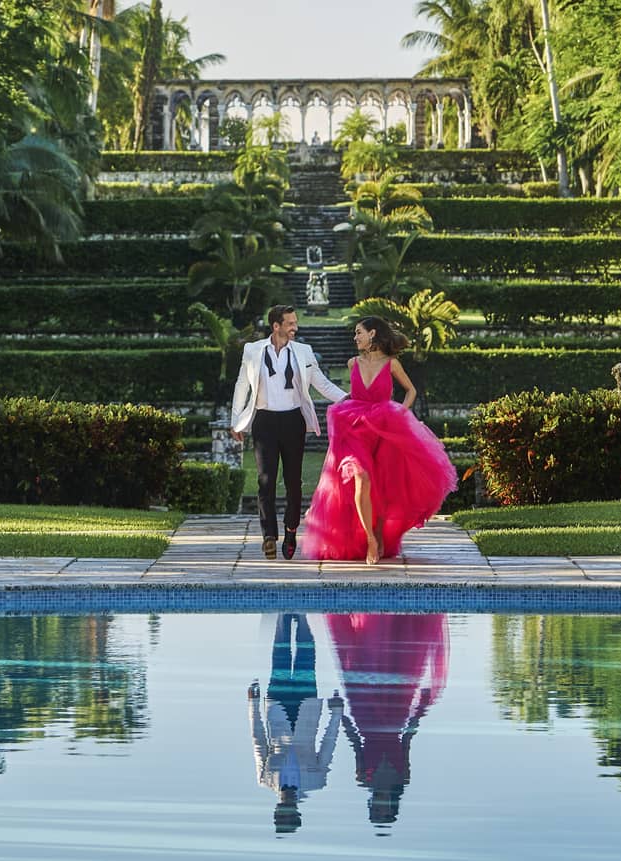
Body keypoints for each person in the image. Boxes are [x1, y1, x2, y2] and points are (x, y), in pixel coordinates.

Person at [299, 317, 457, 564]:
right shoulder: (353, 363)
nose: (355, 337)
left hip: (385, 428)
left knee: (382, 483)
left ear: (372, 334)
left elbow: (411, 390)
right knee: (361, 476)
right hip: (353, 427)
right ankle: (371, 538)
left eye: (358, 332)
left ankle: (381, 534)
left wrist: (402, 413)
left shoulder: (392, 364)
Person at [231, 305, 349, 559]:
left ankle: (291, 529)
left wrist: (351, 400)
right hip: (264, 420)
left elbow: (322, 384)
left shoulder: (304, 352)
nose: (295, 327)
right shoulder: (252, 351)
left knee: (293, 482)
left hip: (293, 420)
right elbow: (242, 385)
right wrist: (236, 420)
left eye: (295, 322)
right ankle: (269, 536)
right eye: (290, 323)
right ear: (276, 326)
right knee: (265, 480)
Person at [325, 612, 449, 826]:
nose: (381, 806)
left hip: (365, 718)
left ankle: (379, 615)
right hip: (395, 718)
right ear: (392, 806)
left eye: (378, 810)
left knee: (361, 663)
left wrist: (340, 714)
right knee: (395, 661)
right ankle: (392, 615)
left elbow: (355, 742)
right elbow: (407, 740)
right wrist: (420, 708)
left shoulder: (363, 778)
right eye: (384, 811)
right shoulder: (402, 778)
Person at [247, 613, 344, 833]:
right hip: (306, 707)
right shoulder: (316, 781)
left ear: (277, 809)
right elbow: (328, 746)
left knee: (280, 656)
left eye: (282, 812)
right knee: (305, 659)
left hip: (277, 707)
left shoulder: (265, 779)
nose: (286, 807)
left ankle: (283, 612)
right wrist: (336, 714)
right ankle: (301, 615)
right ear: (296, 811)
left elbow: (258, 741)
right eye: (289, 813)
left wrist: (252, 705)